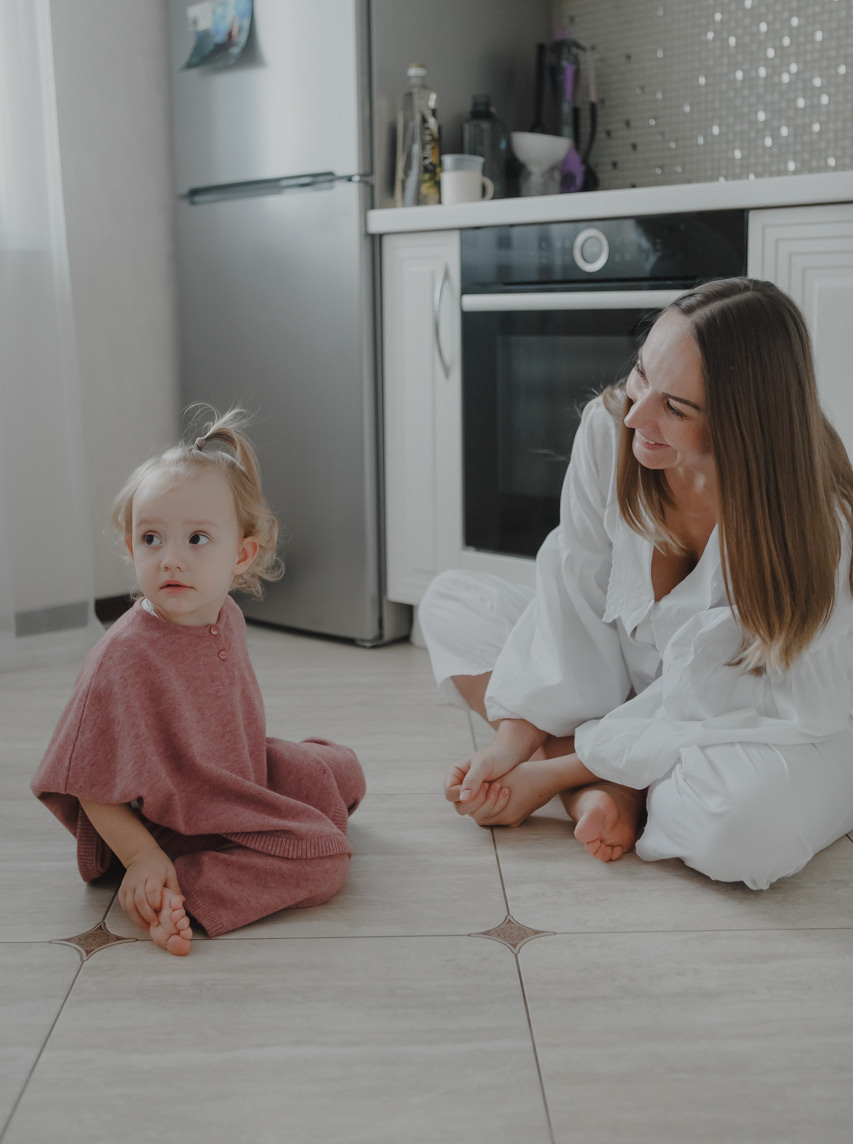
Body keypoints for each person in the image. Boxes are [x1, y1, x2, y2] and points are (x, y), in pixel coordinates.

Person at [420, 277, 853, 890]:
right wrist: (510, 746)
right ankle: (609, 776)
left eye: (676, 408)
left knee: (738, 832)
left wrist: (548, 776)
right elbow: (571, 602)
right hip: (635, 689)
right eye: (642, 374)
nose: (637, 414)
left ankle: (599, 775)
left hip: (767, 715)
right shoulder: (610, 431)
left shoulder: (817, 522)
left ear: (744, 428)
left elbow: (730, 701)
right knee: (451, 604)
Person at [32, 409, 365, 955]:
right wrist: (141, 855)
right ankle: (178, 886)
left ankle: (269, 831)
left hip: (233, 781)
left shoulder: (224, 613)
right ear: (132, 545)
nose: (171, 559)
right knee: (324, 860)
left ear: (242, 555)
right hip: (164, 822)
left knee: (339, 769)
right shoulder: (123, 658)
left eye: (197, 539)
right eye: (152, 538)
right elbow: (88, 783)